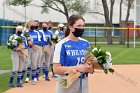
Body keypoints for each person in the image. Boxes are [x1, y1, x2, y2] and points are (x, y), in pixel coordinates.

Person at [53, 14, 94, 93]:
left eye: (83, 26)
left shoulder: (86, 43)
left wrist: (91, 69)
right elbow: (56, 69)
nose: (81, 28)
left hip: (83, 82)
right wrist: (77, 68)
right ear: (70, 27)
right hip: (67, 83)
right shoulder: (61, 45)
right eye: (78, 26)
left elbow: (89, 63)